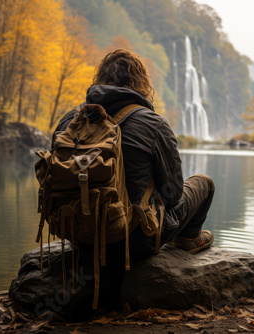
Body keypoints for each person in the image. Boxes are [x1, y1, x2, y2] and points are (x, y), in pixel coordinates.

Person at [53, 49, 215, 310]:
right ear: (140, 84)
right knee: (205, 183)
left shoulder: (70, 121)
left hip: (78, 233)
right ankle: (188, 240)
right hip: (133, 241)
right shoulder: (153, 123)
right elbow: (173, 196)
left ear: (101, 79)